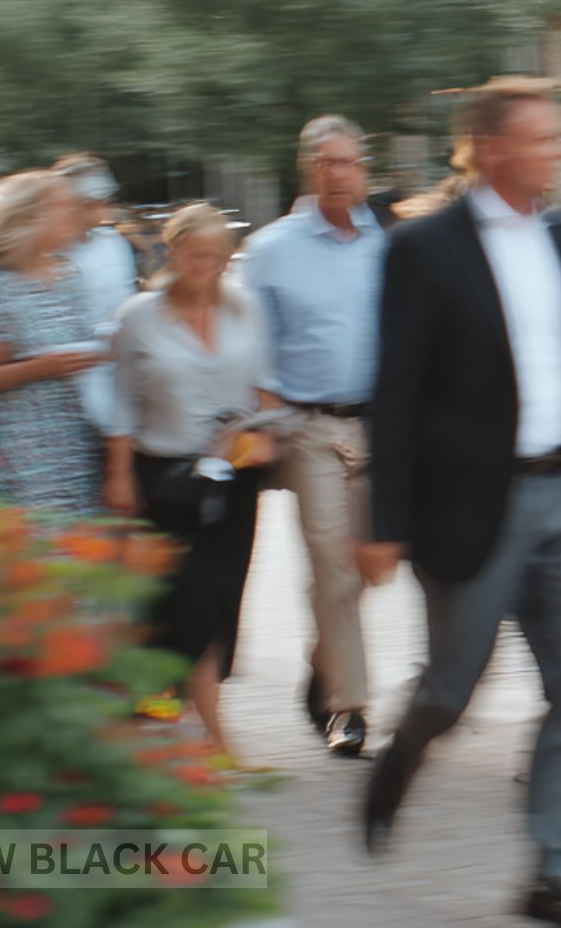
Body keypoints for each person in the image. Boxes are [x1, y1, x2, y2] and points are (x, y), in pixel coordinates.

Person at [359, 85, 561, 928]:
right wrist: (384, 522)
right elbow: (393, 394)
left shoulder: (558, 238)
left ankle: (551, 871)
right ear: (493, 149)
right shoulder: (423, 248)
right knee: (452, 688)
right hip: (476, 504)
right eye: (544, 138)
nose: (559, 149)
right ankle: (400, 757)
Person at [106, 203, 281, 765]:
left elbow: (266, 389)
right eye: (196, 254)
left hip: (233, 481)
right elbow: (119, 404)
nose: (207, 265)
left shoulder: (246, 308)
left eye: (218, 256)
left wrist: (266, 434)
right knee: (176, 614)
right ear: (172, 250)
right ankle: (191, 732)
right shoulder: (138, 316)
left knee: (215, 610)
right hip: (165, 483)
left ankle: (191, 732)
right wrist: (118, 475)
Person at [239, 116, 386, 758]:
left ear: (364, 170)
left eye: (349, 162)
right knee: (332, 564)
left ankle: (324, 662)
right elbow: (252, 350)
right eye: (326, 162)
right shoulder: (271, 249)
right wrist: (269, 423)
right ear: (307, 168)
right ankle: (349, 708)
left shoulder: (387, 244)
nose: (338, 173)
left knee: (367, 568)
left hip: (378, 424)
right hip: (308, 428)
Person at [0, 170, 107, 516]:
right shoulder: (1, 285)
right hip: (21, 460)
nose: (73, 211)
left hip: (74, 449)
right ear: (31, 216)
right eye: (62, 205)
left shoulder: (69, 275)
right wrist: (42, 368)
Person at [53, 154, 141, 440]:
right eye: (92, 198)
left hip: (116, 381)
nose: (101, 205)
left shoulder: (114, 246)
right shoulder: (46, 252)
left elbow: (125, 305)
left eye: (104, 197)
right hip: (63, 392)